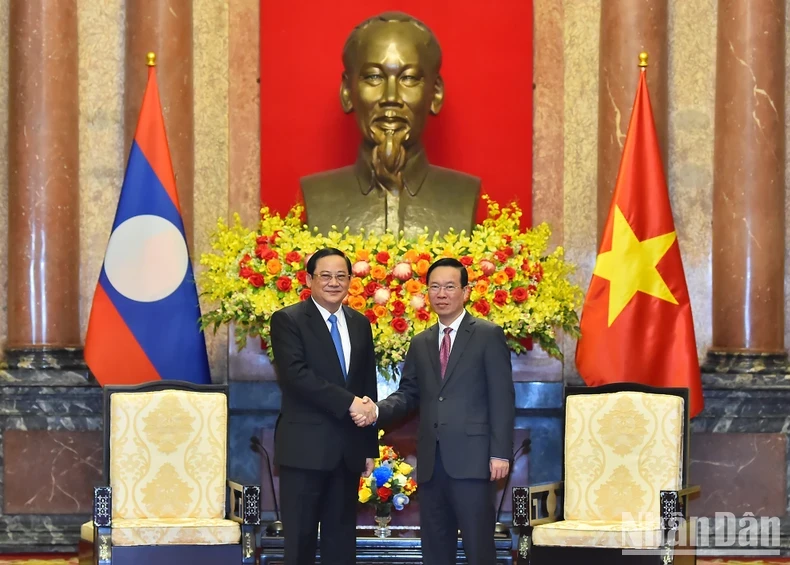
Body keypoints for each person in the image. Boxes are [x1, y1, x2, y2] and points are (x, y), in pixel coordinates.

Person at [354, 257, 515, 565]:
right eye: (435, 287)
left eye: (450, 286)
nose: (442, 293)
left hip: (475, 461)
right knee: (435, 549)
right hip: (431, 464)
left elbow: (502, 397)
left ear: (466, 291)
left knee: (479, 548)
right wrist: (375, 410)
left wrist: (500, 453)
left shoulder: (487, 335)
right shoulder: (421, 342)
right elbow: (409, 394)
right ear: (427, 292)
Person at [300, 11, 480, 239]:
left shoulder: (462, 195)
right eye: (374, 77)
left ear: (435, 93)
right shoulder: (318, 195)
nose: (391, 97)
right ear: (347, 92)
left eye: (409, 78)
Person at [269, 247, 378, 565]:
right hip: (304, 451)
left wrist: (369, 446)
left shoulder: (360, 324)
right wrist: (350, 402)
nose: (334, 282)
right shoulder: (288, 320)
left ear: (350, 281)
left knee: (341, 544)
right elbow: (296, 377)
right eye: (325, 275)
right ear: (309, 279)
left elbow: (366, 387)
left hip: (347, 453)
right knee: (300, 544)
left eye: (341, 276)